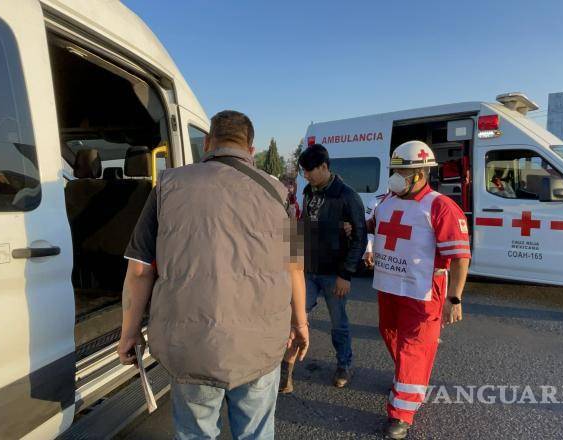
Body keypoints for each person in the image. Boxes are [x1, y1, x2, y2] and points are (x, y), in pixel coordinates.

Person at [117, 110, 309, 440]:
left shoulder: (167, 185)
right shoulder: (281, 193)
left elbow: (138, 270)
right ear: (251, 149)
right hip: (259, 346)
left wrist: (129, 333)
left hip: (191, 346)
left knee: (195, 433)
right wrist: (300, 323)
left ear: (207, 143)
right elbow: (295, 266)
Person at [369, 141, 471, 439]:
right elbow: (373, 226)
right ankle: (407, 380)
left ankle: (401, 413)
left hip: (424, 289)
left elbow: (461, 256)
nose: (396, 177)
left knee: (414, 346)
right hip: (389, 285)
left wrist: (454, 298)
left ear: (421, 174)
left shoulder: (440, 207)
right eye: (395, 171)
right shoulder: (387, 201)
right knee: (390, 333)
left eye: (402, 172)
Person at [280, 144, 366, 392]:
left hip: (334, 274)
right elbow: (303, 227)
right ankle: (286, 372)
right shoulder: (308, 191)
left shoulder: (347, 196)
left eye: (309, 170)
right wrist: (292, 260)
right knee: (295, 318)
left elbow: (360, 238)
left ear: (325, 167)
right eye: (303, 171)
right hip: (307, 270)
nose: (305, 175)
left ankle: (344, 365)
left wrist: (345, 274)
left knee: (338, 324)